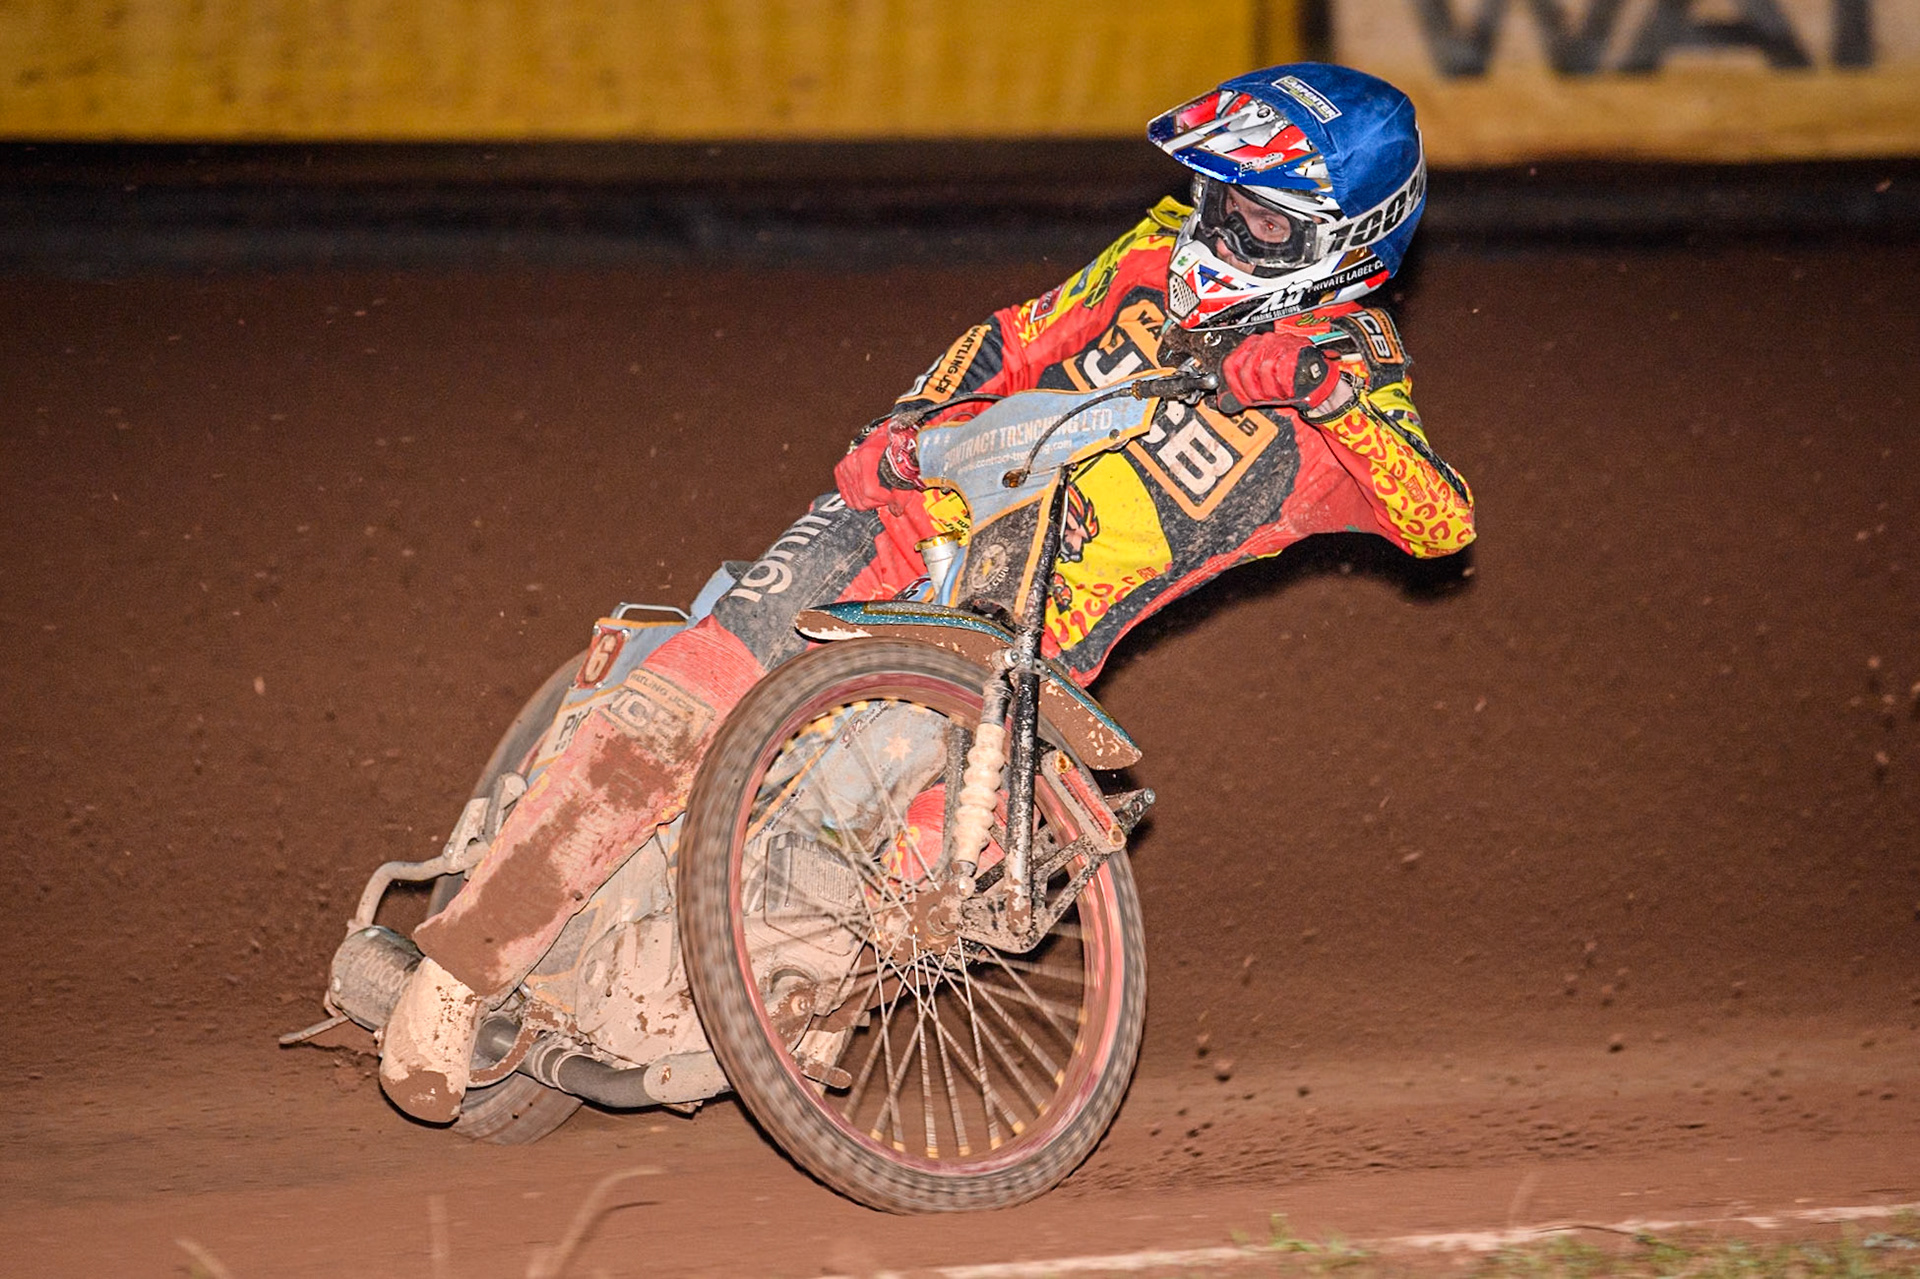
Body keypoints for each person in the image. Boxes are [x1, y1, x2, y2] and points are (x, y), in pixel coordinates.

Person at [378, 61, 1476, 1122]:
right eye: (1222, 194)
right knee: (692, 687)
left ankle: (771, 1015)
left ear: (1349, 245)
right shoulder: (1154, 251)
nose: (1222, 226)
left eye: (1264, 218)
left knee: (933, 865)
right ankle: (465, 968)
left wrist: (1321, 390)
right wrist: (909, 421)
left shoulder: (1357, 392)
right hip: (909, 523)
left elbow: (1443, 520)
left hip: (1019, 648)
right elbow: (1018, 335)